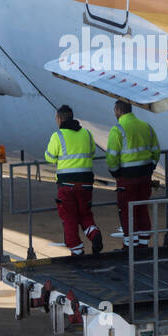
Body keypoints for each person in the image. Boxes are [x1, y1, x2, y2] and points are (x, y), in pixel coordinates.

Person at [44, 105, 103, 256]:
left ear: (60, 119)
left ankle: (77, 252)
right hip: (86, 183)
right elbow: (91, 152)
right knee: (85, 214)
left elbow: (49, 157)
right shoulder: (87, 134)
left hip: (66, 185)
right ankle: (94, 234)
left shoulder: (58, 136)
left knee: (69, 217)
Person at [106, 100, 161, 248]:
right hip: (145, 175)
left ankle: (129, 245)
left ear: (118, 110)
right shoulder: (146, 127)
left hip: (126, 177)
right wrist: (151, 167)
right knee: (142, 206)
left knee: (126, 209)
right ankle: (143, 243)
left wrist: (115, 172)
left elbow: (111, 156)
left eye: (115, 110)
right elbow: (156, 150)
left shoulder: (118, 130)